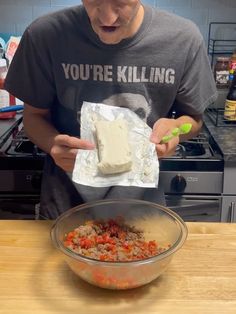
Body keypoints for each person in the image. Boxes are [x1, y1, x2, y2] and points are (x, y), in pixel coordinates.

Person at [4, 1, 217, 219]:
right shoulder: (44, 35)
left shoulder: (183, 39)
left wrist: (176, 129)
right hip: (65, 209)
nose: (107, 18)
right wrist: (51, 144)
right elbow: (33, 116)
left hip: (141, 212)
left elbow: (194, 120)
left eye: (120, 1)